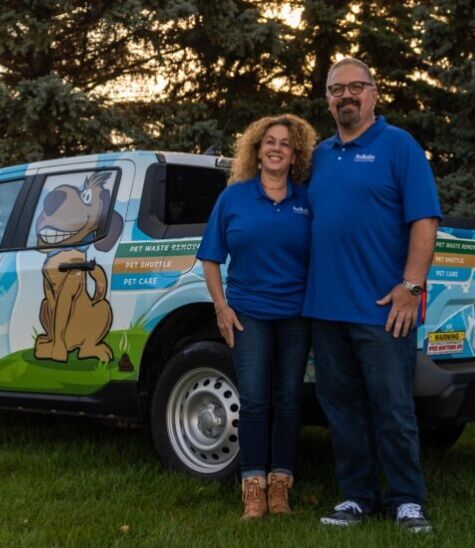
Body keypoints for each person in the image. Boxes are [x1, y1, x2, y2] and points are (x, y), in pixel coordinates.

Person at [304, 57, 442, 533]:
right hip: (325, 309)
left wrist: (410, 288)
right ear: (326, 98)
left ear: (374, 93)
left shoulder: (399, 146)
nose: (346, 95)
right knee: (341, 409)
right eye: (336, 88)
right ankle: (357, 497)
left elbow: (425, 220)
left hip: (384, 311)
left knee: (393, 408)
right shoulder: (319, 156)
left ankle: (407, 499)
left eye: (355, 86)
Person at [197, 114, 317, 521]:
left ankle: (280, 485)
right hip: (248, 314)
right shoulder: (234, 198)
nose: (276, 148)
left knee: (287, 400)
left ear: (295, 152)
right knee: (253, 400)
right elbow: (211, 259)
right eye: (269, 141)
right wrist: (221, 307)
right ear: (256, 148)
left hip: (296, 315)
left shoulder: (306, 200)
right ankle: (253, 487)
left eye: (285, 143)